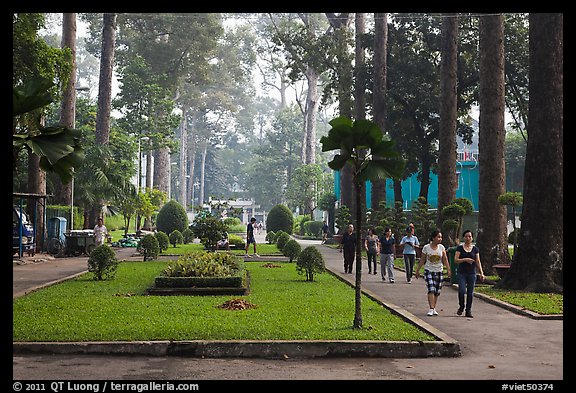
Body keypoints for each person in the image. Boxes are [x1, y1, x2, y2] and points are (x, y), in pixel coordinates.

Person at [415, 230, 451, 316]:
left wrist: (448, 270)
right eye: (438, 237)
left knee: (437, 291)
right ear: (433, 238)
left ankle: (434, 307)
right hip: (429, 270)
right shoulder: (426, 247)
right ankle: (431, 308)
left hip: (439, 271)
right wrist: (418, 270)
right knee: (431, 289)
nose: (440, 239)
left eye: (441, 237)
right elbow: (423, 259)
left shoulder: (441, 247)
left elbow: (445, 259)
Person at [454, 230, 485, 318]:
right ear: (464, 238)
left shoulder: (475, 249)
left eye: (470, 236)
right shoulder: (460, 248)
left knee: (470, 293)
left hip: (472, 273)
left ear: (472, 238)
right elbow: (456, 260)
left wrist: (481, 273)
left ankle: (468, 310)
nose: (468, 238)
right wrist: (465, 260)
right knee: (462, 290)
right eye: (466, 236)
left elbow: (478, 261)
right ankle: (461, 306)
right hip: (462, 273)